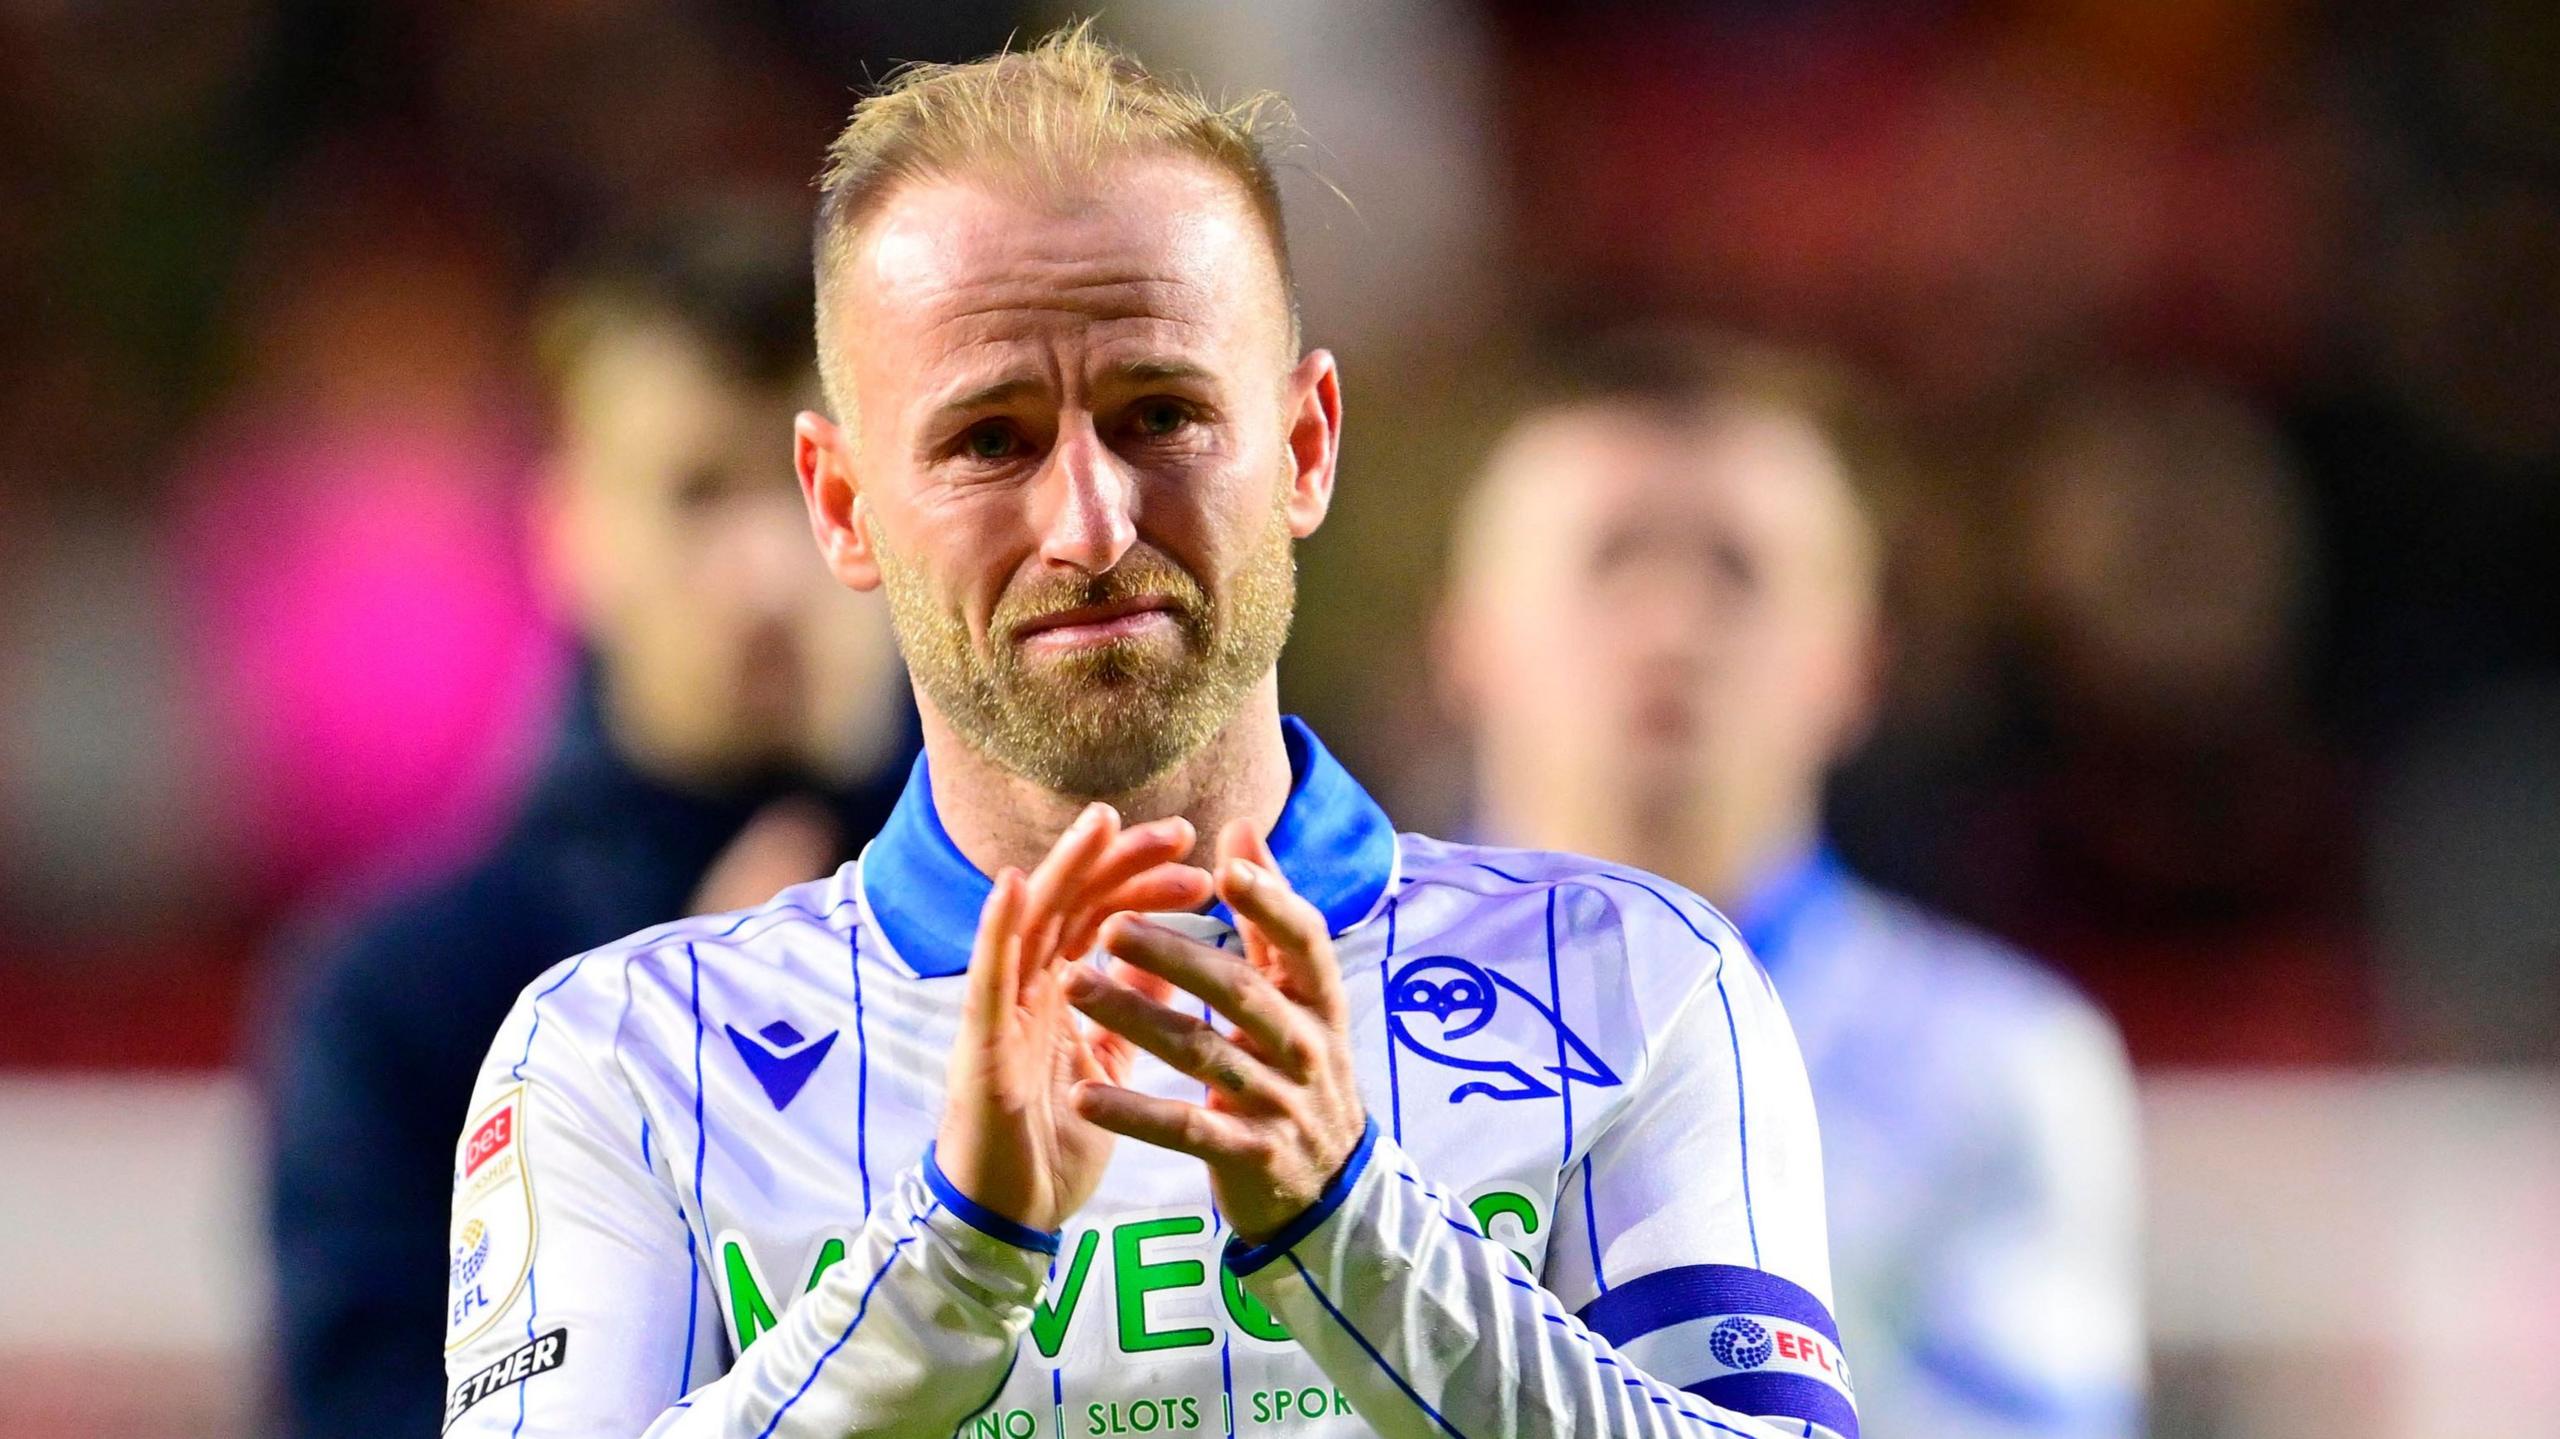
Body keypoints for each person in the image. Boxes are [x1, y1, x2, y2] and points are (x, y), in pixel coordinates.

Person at [439, 27, 1853, 1439]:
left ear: (1303, 446)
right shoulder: (621, 1059)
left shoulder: (1636, 982)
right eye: (989, 438)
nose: (1092, 525)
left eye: (1163, 413)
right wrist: (955, 1261)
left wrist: (1357, 1235)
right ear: (842, 503)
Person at [268, 209, 915, 1439]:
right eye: (695, 493)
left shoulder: (1094, 917)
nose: (772, 567)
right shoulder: (402, 1004)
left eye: (828, 483)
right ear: (564, 526)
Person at [1439, 334, 2145, 1438]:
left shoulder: (2000, 1067)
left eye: (1737, 568)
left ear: (1855, 659)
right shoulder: (1296, 1024)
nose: (1668, 626)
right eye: (1607, 558)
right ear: (1465, 636)